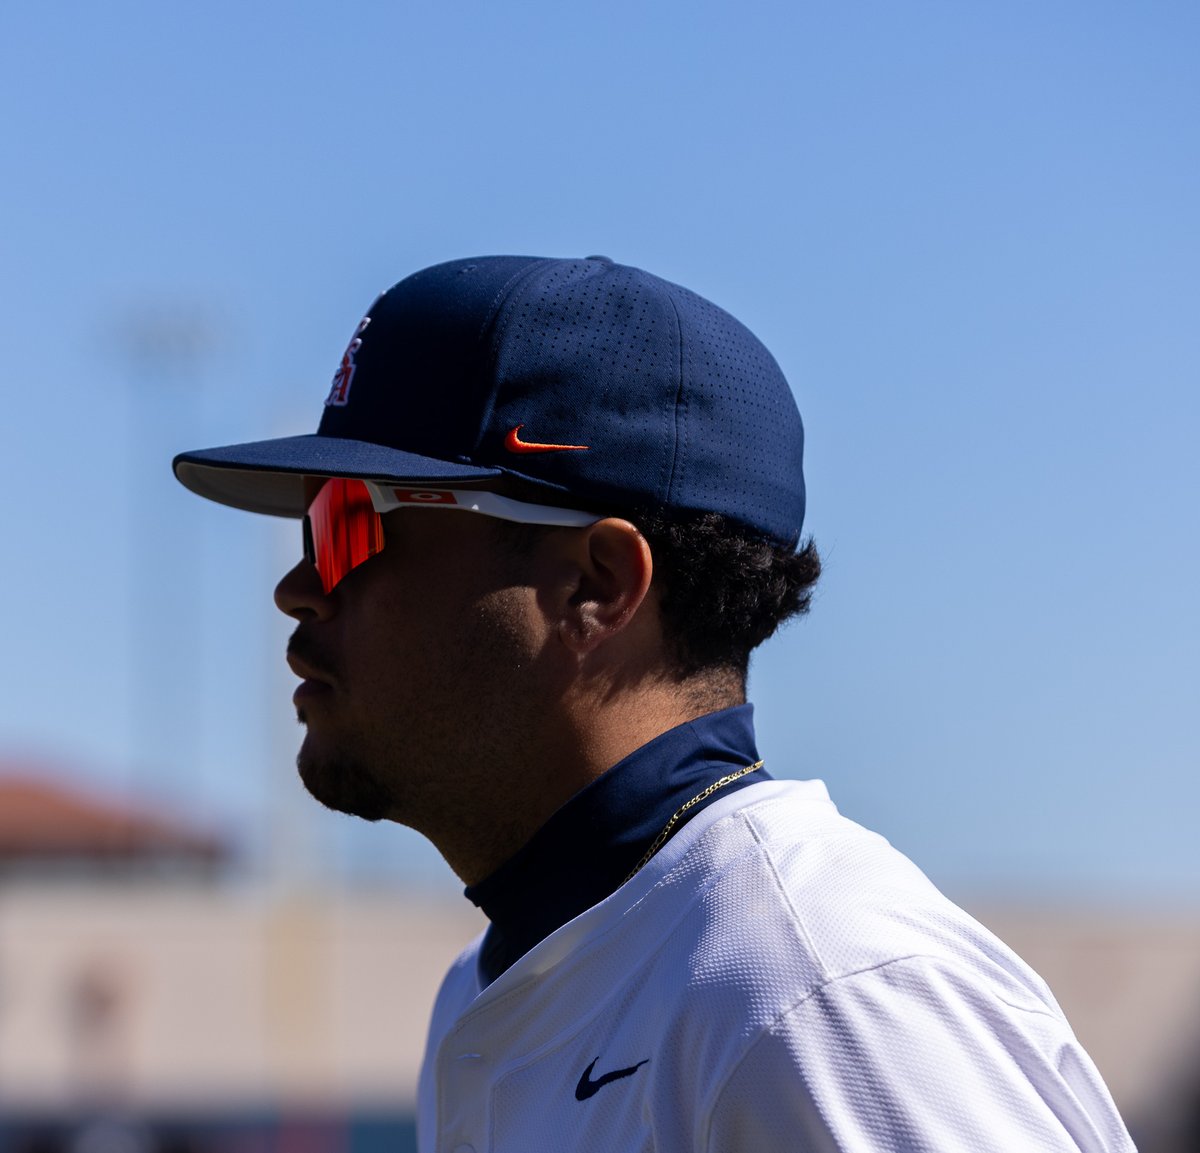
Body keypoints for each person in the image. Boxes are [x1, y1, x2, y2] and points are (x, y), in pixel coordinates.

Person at [174, 255, 1135, 1151]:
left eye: (349, 523)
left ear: (598, 583)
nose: (298, 587)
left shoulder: (817, 992)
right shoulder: (486, 988)